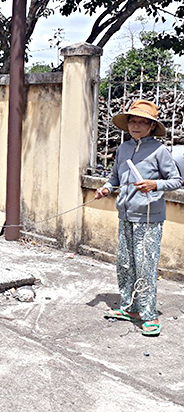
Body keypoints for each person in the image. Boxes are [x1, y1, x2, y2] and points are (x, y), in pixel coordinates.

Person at [96, 99, 182, 337]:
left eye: (142, 122)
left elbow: (175, 180)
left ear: (152, 126)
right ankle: (129, 307)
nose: (136, 126)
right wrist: (105, 188)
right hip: (125, 214)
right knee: (125, 264)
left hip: (149, 218)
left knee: (145, 266)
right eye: (133, 121)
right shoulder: (123, 149)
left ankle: (148, 314)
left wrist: (154, 184)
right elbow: (114, 178)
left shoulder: (159, 151)